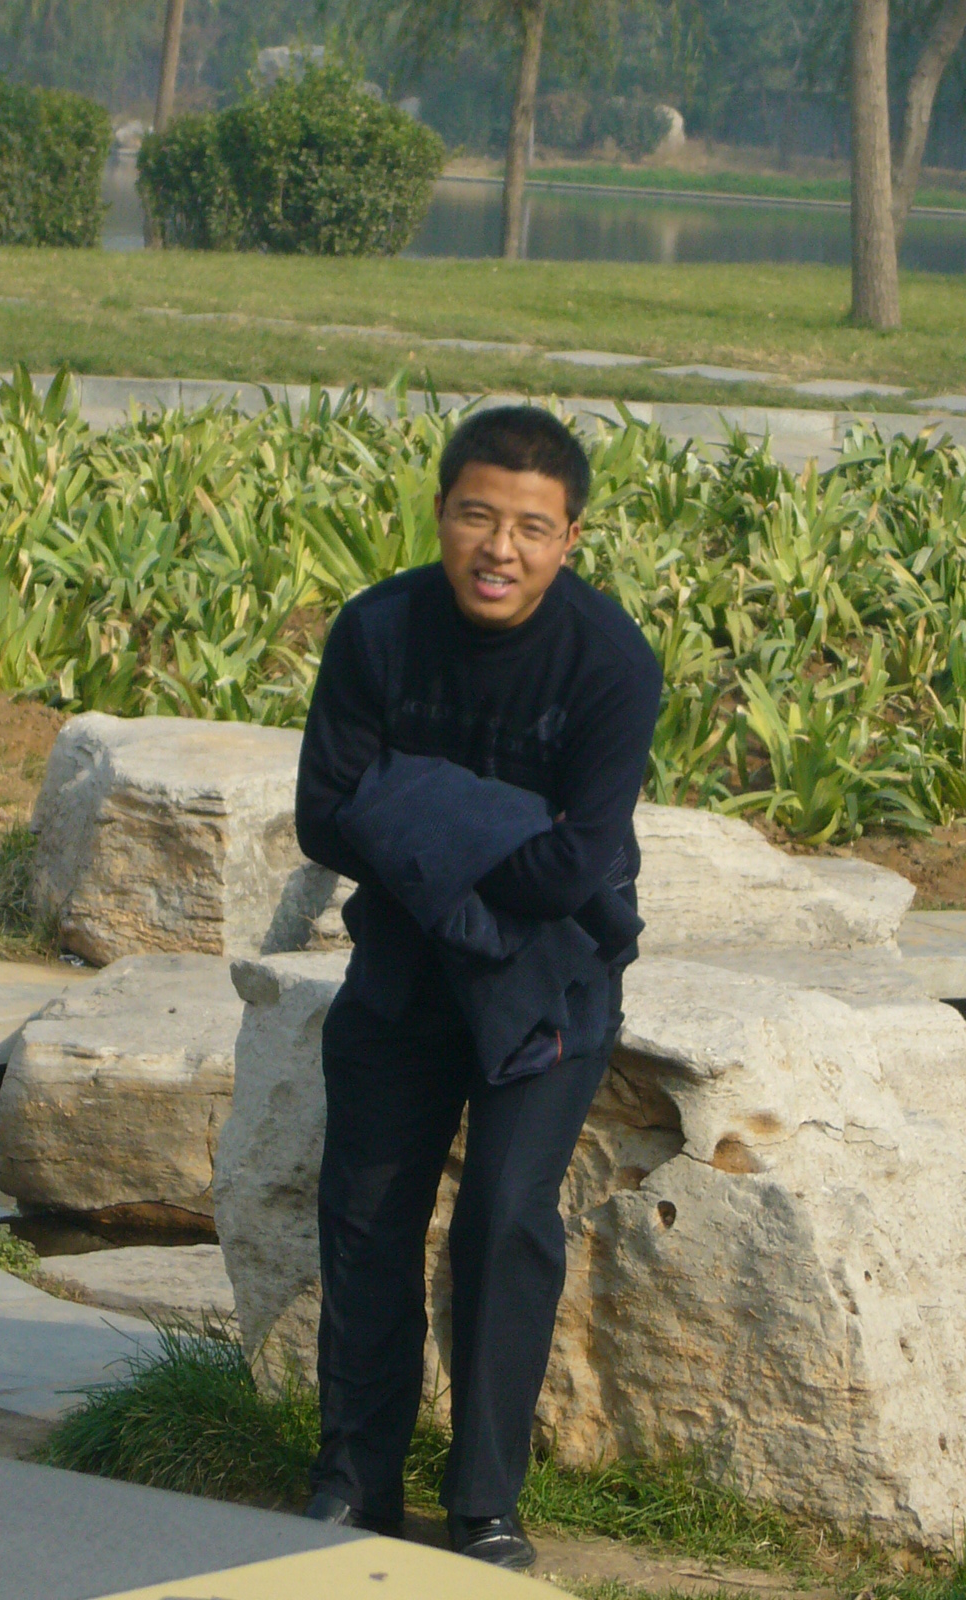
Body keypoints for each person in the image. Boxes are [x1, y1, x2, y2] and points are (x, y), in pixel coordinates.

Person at [295, 405, 663, 1570]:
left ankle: (484, 1503)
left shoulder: (610, 662)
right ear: (442, 511)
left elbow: (574, 869)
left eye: (531, 528)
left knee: (506, 1219)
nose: (499, 548)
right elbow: (322, 817)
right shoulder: (378, 631)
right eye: (476, 516)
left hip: (551, 983)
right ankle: (354, 1479)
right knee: (366, 1215)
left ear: (570, 538)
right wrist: (494, 833)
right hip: (404, 965)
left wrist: (409, 804)